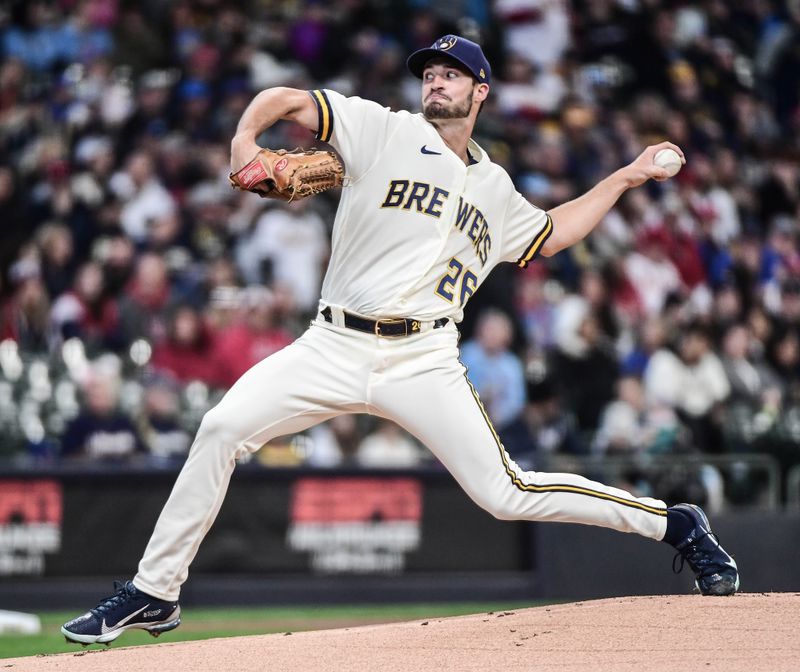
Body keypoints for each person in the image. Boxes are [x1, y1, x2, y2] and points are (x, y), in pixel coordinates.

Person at [62, 35, 739, 646]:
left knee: (506, 493)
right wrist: (246, 140)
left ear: (480, 92)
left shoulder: (496, 188)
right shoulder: (380, 128)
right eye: (430, 73)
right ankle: (155, 591)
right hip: (333, 343)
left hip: (424, 359)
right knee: (220, 427)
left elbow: (552, 234)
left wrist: (624, 177)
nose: (435, 82)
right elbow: (288, 99)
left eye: (452, 74)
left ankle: (671, 522)